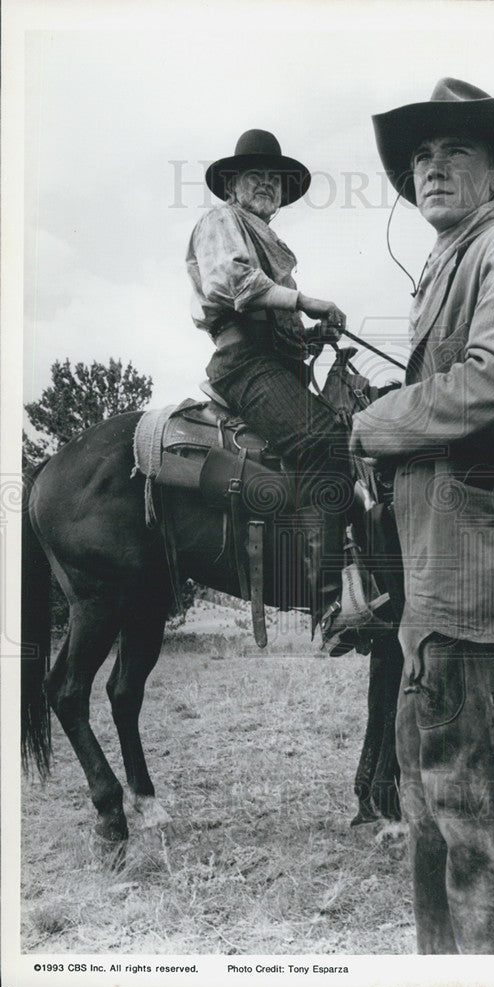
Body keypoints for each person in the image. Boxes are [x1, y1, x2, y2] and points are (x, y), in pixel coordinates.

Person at [350, 79, 494, 953]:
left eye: (454, 151)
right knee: (433, 797)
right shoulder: (453, 262)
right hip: (438, 562)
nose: (431, 167)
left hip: (477, 563)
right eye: (419, 155)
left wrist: (376, 423)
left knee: (470, 806)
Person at [186, 129, 383, 647]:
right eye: (258, 176)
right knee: (325, 442)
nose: (269, 185)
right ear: (232, 183)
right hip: (245, 364)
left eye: (276, 180)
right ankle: (327, 605)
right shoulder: (220, 222)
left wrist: (313, 333)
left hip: (273, 363)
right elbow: (230, 284)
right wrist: (305, 301)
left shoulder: (266, 237)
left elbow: (277, 314)